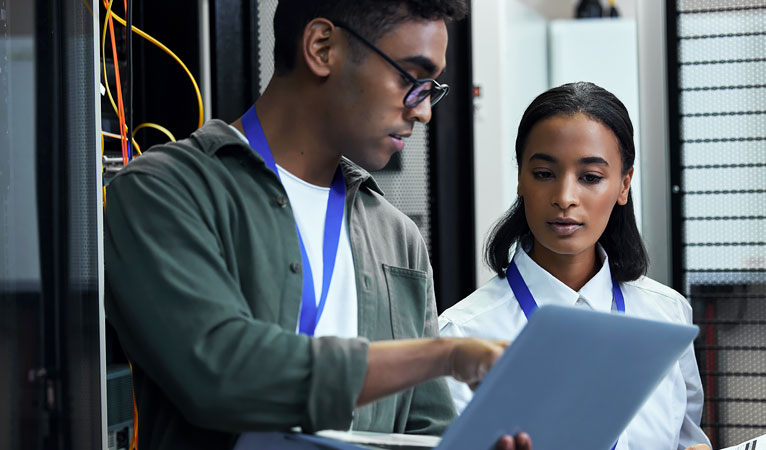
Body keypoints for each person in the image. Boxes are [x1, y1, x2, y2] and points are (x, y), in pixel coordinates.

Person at [104, 1, 531, 449]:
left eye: (430, 88)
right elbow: (220, 374)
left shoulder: (396, 237)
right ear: (322, 47)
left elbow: (427, 429)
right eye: (410, 78)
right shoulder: (165, 192)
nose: (423, 111)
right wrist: (443, 356)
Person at [438, 82, 712, 450]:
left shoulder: (666, 316)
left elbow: (686, 439)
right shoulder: (461, 335)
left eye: (590, 178)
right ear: (520, 177)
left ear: (623, 185)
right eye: (544, 174)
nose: (565, 198)